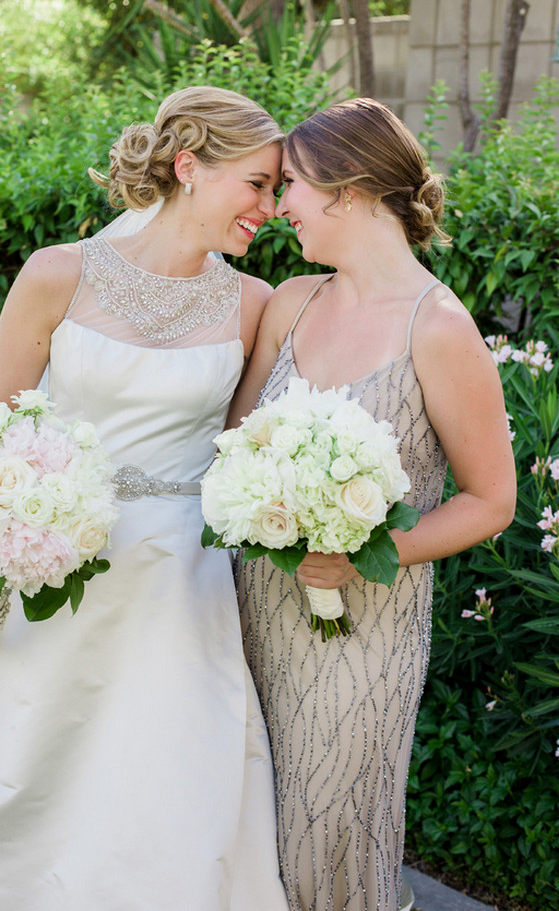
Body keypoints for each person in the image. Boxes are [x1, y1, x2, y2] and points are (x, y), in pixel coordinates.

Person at [0, 86, 290, 910]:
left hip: (176, 583)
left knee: (160, 789)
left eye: (277, 188)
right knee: (5, 759)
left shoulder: (254, 305)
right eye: (257, 184)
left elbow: (238, 451)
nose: (271, 206)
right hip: (43, 557)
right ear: (189, 166)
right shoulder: (57, 275)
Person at [229, 98, 517, 911]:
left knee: (328, 828)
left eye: (289, 184)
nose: (277, 205)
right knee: (246, 827)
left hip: (364, 628)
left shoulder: (439, 328)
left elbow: (491, 499)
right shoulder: (290, 302)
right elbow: (230, 447)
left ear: (349, 191)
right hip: (250, 610)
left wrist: (362, 552)